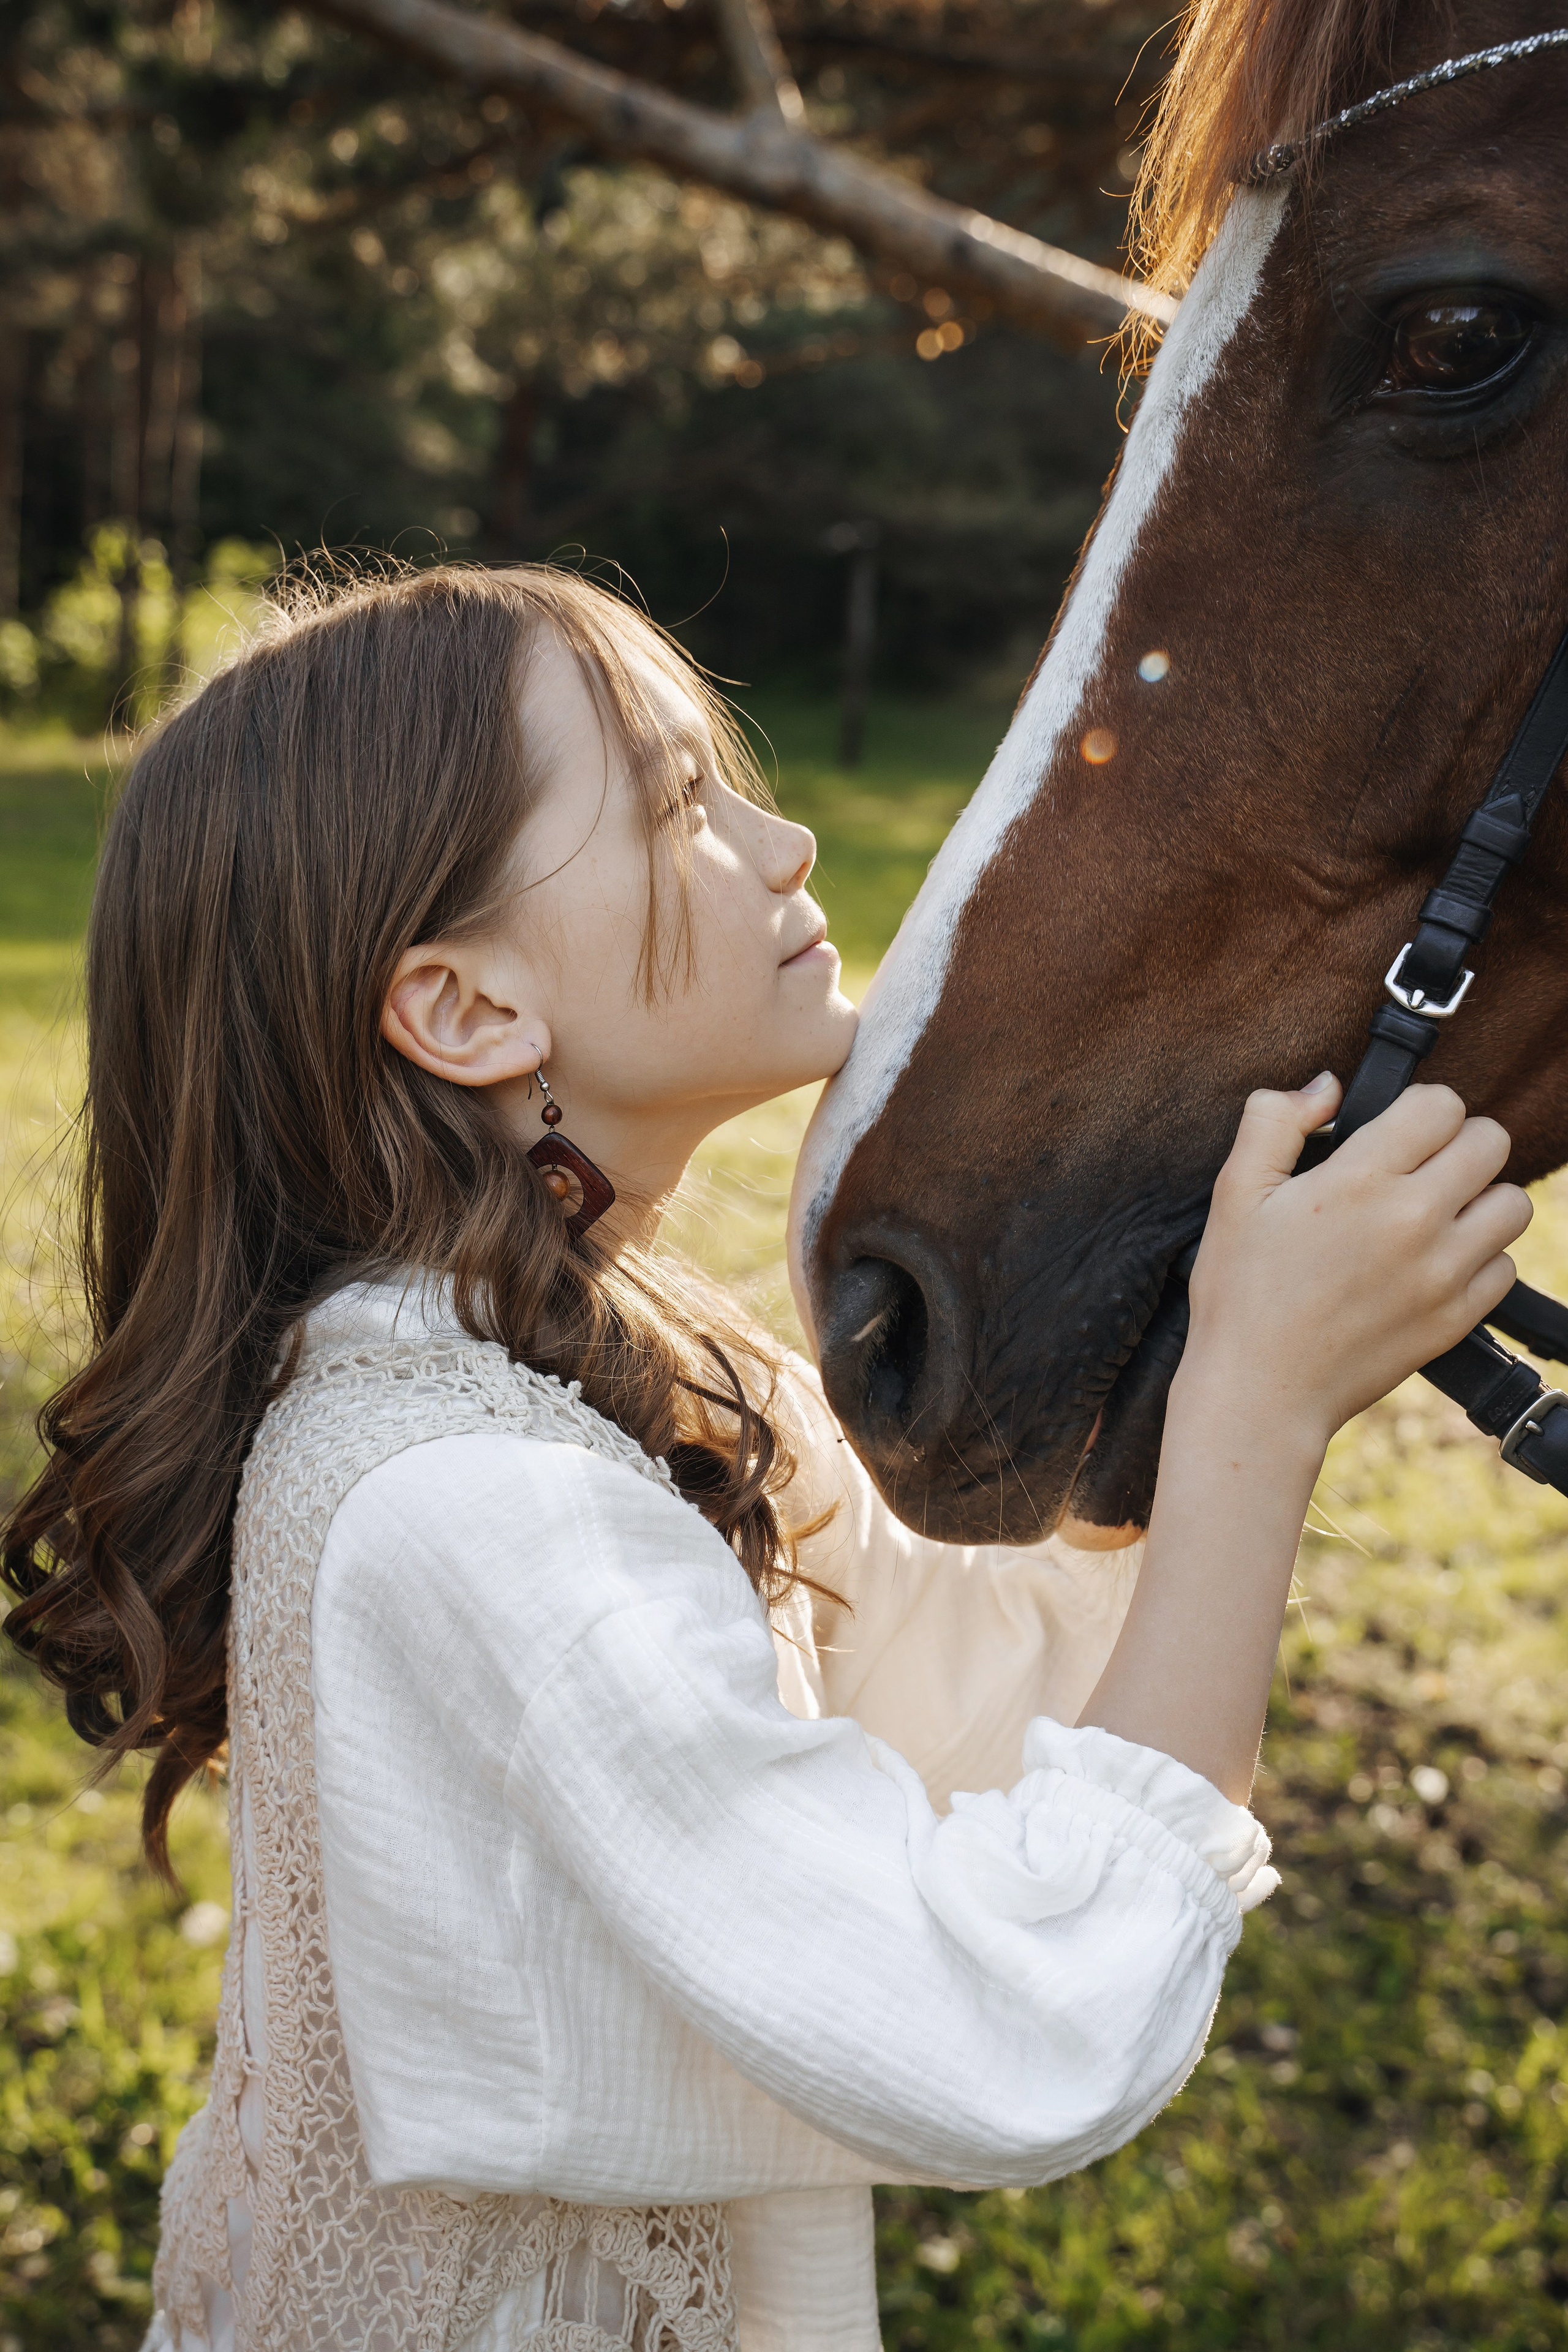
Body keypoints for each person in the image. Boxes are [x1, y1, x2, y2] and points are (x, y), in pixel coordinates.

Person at [1, 566, 1528, 2352]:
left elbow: (973, 1703)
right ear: (469, 1012)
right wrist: (1257, 1413)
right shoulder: (474, 1510)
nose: (788, 836)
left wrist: (1246, 1346)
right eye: (676, 804)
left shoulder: (617, 1382)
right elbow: (996, 2026)